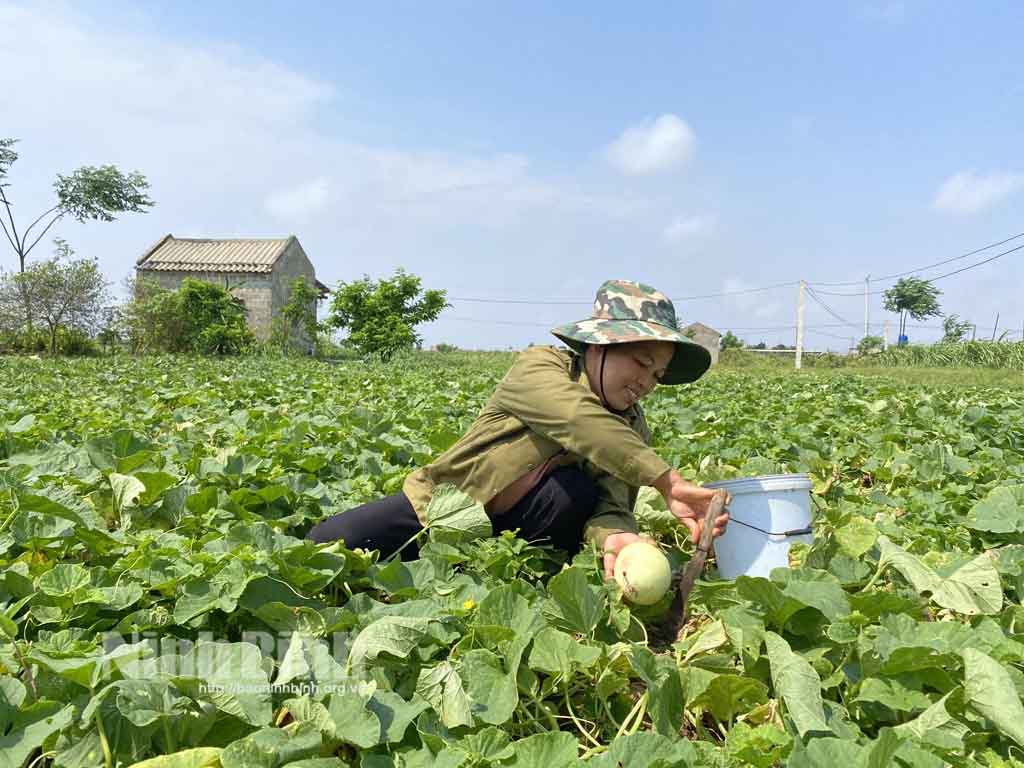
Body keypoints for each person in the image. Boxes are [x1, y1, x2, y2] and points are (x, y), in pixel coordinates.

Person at [307, 279, 730, 579]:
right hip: (444, 509)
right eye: (640, 362)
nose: (646, 382)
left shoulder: (633, 429)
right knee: (324, 545)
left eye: (657, 374)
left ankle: (516, 577)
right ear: (598, 346)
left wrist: (616, 536)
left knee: (576, 493)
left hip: (525, 537)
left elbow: (612, 502)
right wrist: (666, 480)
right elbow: (575, 419)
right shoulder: (540, 367)